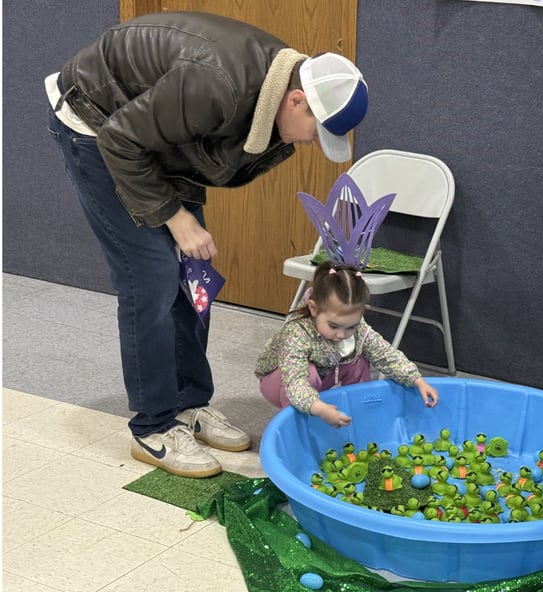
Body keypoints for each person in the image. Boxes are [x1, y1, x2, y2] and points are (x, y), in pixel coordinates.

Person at [45, 11, 369, 478]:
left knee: (195, 276)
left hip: (156, 138)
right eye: (319, 132)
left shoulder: (269, 94)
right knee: (152, 277)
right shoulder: (219, 84)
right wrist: (176, 218)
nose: (316, 145)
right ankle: (154, 427)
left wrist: (184, 224)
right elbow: (121, 140)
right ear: (297, 100)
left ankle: (189, 403)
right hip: (98, 125)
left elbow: (193, 147)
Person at [255, 261, 439, 427]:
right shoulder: (297, 332)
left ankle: (353, 414)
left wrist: (417, 380)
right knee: (308, 373)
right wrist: (318, 407)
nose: (342, 335)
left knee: (359, 360)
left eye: (351, 326)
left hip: (322, 377)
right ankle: (297, 425)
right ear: (314, 308)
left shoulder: (357, 330)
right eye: (333, 326)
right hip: (280, 382)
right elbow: (295, 381)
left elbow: (385, 353)